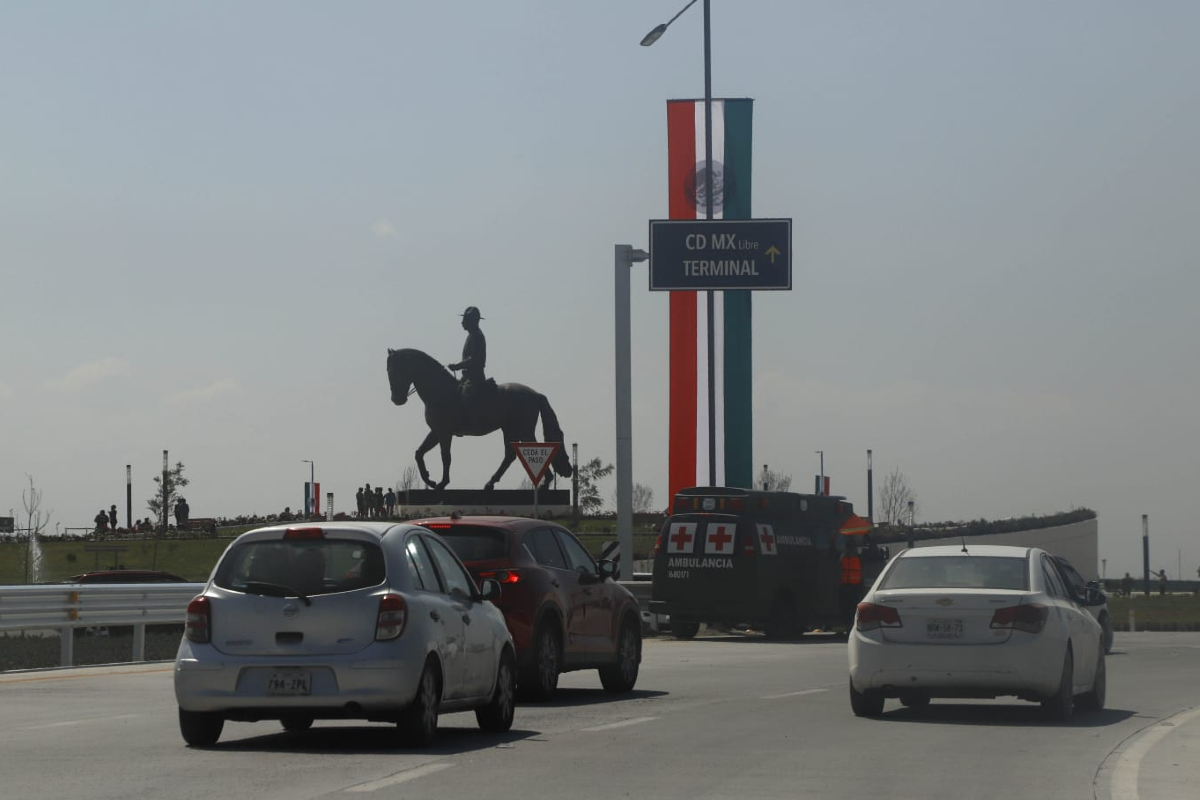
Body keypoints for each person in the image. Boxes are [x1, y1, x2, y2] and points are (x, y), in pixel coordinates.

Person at [447, 306, 488, 426]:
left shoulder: (478, 336)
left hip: (475, 378)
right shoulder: (471, 336)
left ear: (474, 321)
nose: (462, 322)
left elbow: (473, 359)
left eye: (466, 319)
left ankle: (474, 421)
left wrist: (457, 366)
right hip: (466, 377)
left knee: (466, 396)